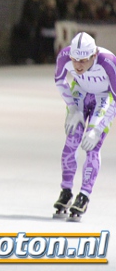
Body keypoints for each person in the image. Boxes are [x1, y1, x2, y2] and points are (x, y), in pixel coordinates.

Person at [52, 32, 116, 221]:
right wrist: (72, 108)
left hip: (103, 98)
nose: (78, 65)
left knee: (92, 146)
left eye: (83, 60)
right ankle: (66, 191)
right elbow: (59, 80)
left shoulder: (109, 61)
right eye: (75, 60)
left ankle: (84, 195)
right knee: (71, 143)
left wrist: (97, 129)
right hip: (79, 94)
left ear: (94, 55)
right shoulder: (65, 56)